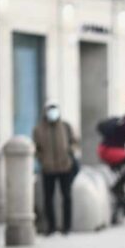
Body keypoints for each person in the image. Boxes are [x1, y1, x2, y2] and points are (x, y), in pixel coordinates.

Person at [33, 101, 78, 236]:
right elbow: (36, 148)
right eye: (50, 110)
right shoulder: (38, 129)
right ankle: (51, 227)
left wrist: (69, 152)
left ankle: (67, 227)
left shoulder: (65, 127)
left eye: (54, 109)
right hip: (48, 169)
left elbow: (75, 142)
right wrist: (42, 159)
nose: (52, 112)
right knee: (48, 199)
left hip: (65, 167)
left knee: (67, 197)